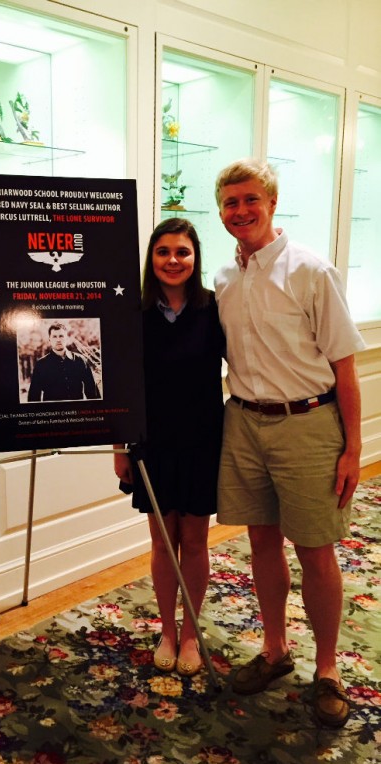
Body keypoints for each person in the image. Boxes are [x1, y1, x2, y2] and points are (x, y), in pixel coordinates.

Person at [213, 159, 366, 727]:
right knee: (261, 542)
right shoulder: (225, 279)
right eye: (230, 203)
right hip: (245, 425)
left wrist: (353, 450)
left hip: (307, 424)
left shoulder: (311, 270)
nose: (241, 212)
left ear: (272, 203)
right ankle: (275, 650)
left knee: (316, 549)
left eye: (250, 200)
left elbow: (345, 371)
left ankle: (327, 670)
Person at [114, 217, 225, 677]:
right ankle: (166, 630)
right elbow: (121, 385)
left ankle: (192, 634)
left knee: (195, 541)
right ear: (151, 259)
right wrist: (119, 447)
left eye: (182, 251)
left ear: (195, 258)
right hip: (150, 444)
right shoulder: (134, 315)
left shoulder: (214, 309)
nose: (173, 260)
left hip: (202, 439)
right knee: (162, 542)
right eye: (163, 252)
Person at [27, 322, 100, 401]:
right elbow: (34, 396)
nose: (58, 339)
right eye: (54, 336)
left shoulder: (80, 360)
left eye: (61, 336)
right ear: (49, 340)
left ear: (67, 338)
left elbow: (92, 392)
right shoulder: (41, 365)